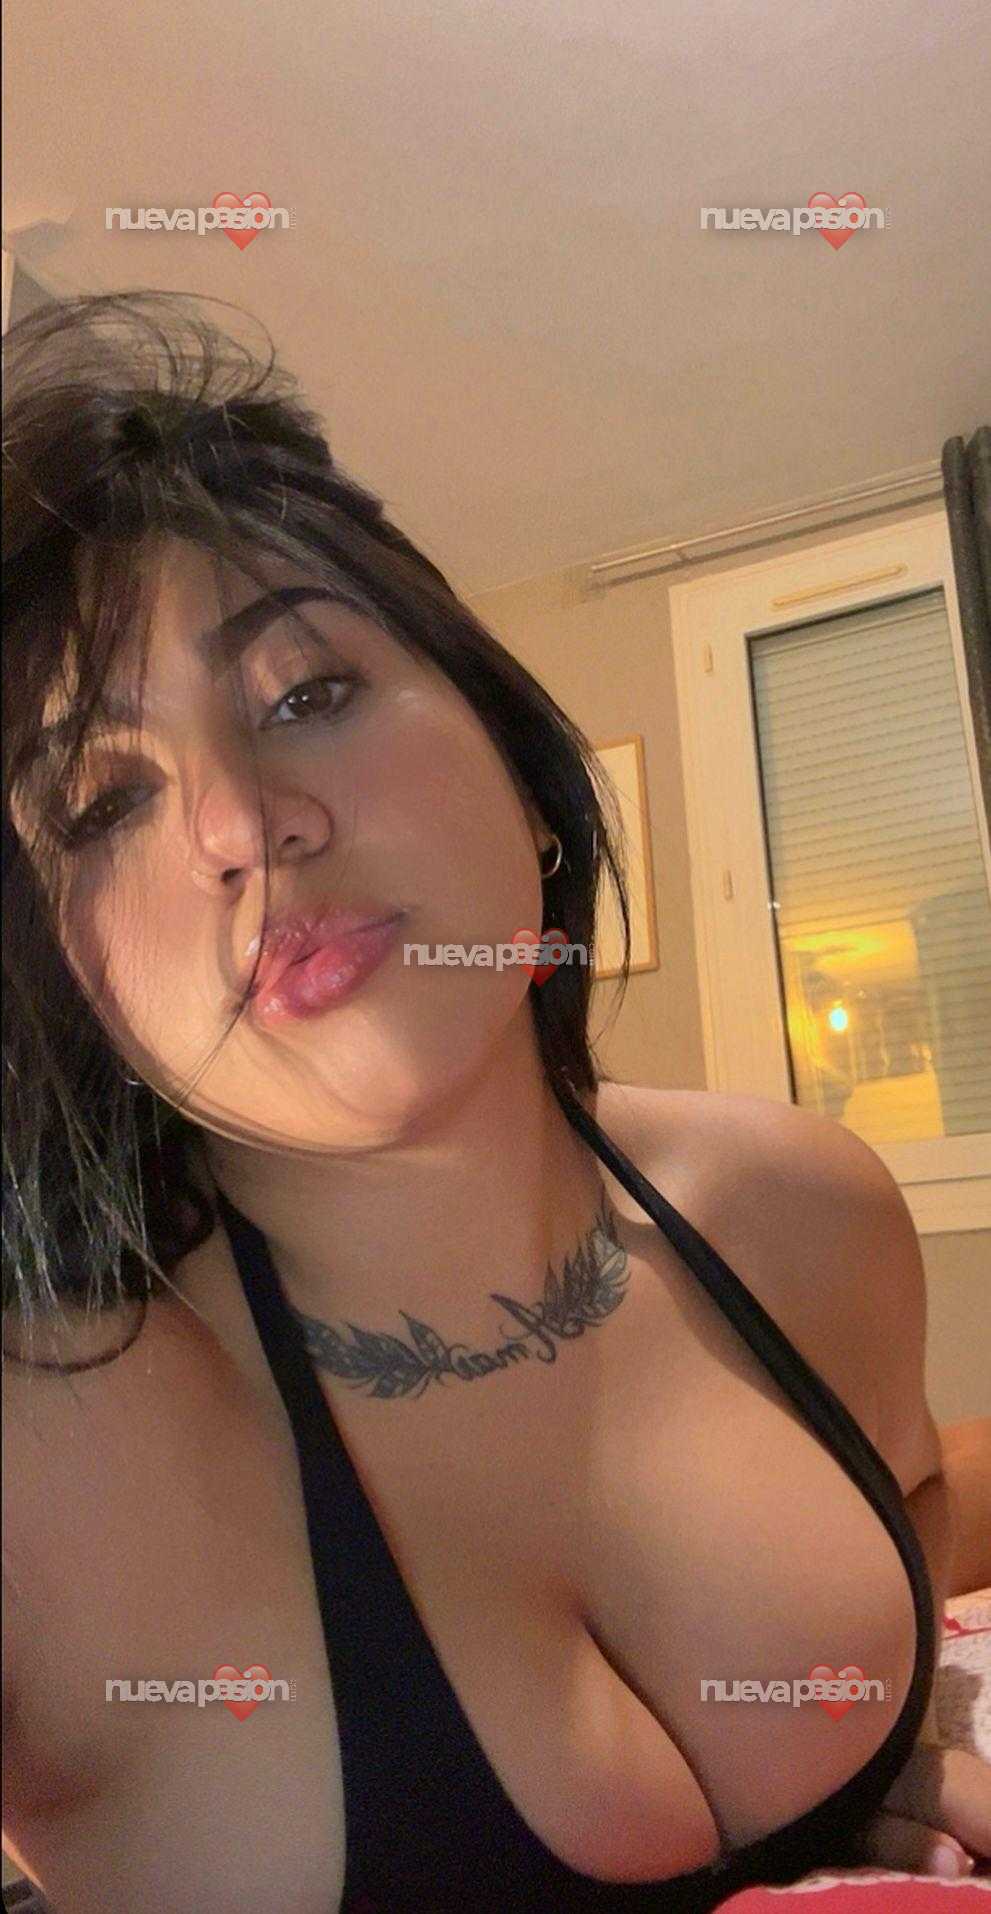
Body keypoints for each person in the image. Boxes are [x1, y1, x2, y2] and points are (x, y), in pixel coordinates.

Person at [2, 291, 987, 1912]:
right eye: (104, 800)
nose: (242, 825)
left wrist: (873, 1756)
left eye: (306, 691)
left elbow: (918, 1485)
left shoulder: (805, 1206)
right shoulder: (46, 1456)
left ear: (524, 772)